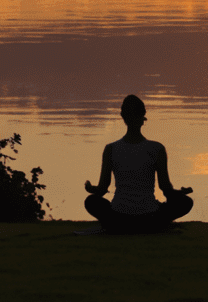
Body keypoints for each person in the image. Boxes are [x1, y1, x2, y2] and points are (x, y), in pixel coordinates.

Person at [83, 94, 194, 233]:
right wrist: (179, 194)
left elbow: (102, 190)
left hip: (119, 216)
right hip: (149, 217)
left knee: (91, 202)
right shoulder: (156, 149)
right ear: (143, 118)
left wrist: (91, 189)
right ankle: (154, 225)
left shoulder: (111, 149)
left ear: (123, 117)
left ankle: (117, 225)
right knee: (186, 202)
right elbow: (166, 189)